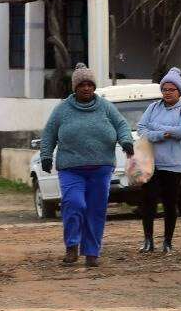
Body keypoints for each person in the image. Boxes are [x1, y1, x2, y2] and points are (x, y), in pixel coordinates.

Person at [38, 64, 133, 268]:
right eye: (82, 84)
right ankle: (72, 246)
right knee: (74, 204)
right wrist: (46, 156)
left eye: (90, 84)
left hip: (101, 167)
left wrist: (126, 141)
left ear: (94, 87)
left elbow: (122, 125)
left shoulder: (106, 107)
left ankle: (91, 252)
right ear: (75, 87)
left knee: (96, 210)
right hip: (71, 168)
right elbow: (49, 134)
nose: (86, 88)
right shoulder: (62, 109)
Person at [135, 67, 181, 254]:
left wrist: (156, 130)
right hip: (151, 163)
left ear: (179, 91)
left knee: (170, 204)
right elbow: (141, 129)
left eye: (171, 89)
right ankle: (148, 240)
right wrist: (165, 132)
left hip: (173, 165)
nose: (167, 93)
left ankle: (168, 242)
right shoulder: (153, 107)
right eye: (165, 89)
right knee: (148, 202)